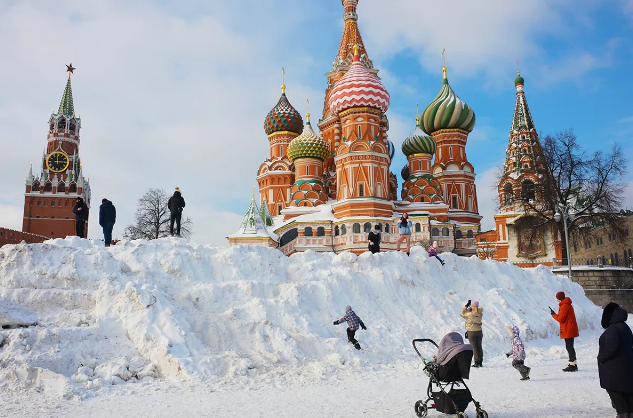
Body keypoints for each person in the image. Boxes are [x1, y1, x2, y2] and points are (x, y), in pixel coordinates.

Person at [598, 302, 633, 418]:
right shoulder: (624, 326)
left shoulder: (614, 329)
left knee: (614, 391)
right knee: (624, 391)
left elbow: (611, 347)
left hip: (614, 367)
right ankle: (629, 412)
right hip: (624, 365)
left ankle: (622, 414)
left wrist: (601, 358)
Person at [550, 291, 579, 372]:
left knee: (569, 347)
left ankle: (572, 365)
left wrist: (553, 315)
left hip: (567, 329)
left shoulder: (564, 306)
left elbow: (561, 319)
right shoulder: (567, 304)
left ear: (559, 298)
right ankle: (574, 364)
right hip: (570, 328)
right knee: (570, 346)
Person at [461, 300, 484, 367]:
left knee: (474, 347)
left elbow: (462, 313)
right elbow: (475, 312)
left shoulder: (469, 314)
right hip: (479, 331)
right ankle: (480, 362)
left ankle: (476, 362)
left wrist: (466, 306)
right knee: (479, 346)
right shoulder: (480, 313)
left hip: (471, 332)